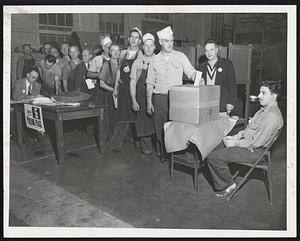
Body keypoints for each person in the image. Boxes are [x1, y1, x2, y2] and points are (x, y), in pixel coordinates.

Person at [206, 80, 283, 199]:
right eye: (259, 92)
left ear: (274, 96)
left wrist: (234, 143)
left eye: (263, 93)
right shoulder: (264, 110)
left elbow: (256, 142)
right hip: (248, 144)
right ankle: (224, 177)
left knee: (214, 157)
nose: (259, 96)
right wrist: (235, 136)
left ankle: (229, 186)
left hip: (255, 151)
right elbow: (250, 130)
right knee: (213, 147)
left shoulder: (272, 116)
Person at [145, 26, 197, 155]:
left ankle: (175, 153)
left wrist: (198, 78)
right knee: (160, 127)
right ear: (161, 42)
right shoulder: (154, 60)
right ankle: (162, 153)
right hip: (159, 98)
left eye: (172, 41)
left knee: (176, 126)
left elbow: (191, 72)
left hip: (176, 98)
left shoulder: (181, 56)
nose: (170, 44)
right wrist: (149, 102)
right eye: (167, 41)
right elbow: (150, 83)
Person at [110, 27, 143, 150]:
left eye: (137, 37)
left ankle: (140, 146)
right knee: (122, 117)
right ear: (128, 39)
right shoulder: (123, 53)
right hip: (123, 90)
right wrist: (115, 89)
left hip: (134, 90)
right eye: (132, 37)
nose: (134, 39)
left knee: (136, 118)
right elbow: (119, 71)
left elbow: (139, 76)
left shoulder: (140, 54)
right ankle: (115, 145)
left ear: (139, 41)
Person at [130, 33, 156, 160]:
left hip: (156, 96)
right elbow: (132, 83)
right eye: (146, 46)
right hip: (140, 97)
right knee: (143, 124)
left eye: (151, 46)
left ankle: (161, 151)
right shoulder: (137, 62)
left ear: (155, 47)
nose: (149, 48)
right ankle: (146, 150)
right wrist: (134, 100)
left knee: (156, 123)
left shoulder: (159, 60)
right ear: (143, 47)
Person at [197, 40, 237, 114]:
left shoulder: (226, 64)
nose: (209, 53)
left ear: (216, 50)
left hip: (222, 105)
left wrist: (230, 102)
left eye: (211, 50)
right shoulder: (201, 67)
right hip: (206, 104)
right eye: (206, 51)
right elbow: (197, 87)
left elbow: (232, 85)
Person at [98, 42, 121, 139]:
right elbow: (101, 83)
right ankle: (111, 138)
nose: (115, 53)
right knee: (112, 117)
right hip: (111, 93)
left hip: (122, 94)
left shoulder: (123, 63)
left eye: (117, 50)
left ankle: (120, 138)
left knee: (121, 117)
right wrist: (113, 90)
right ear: (110, 52)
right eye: (113, 50)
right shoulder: (106, 65)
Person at [87, 36, 112, 103]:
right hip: (101, 88)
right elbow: (89, 74)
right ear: (103, 48)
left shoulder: (117, 59)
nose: (111, 50)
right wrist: (100, 75)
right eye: (108, 47)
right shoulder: (97, 59)